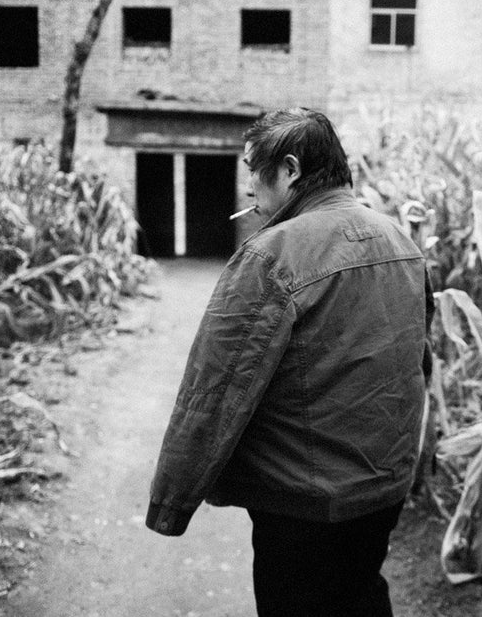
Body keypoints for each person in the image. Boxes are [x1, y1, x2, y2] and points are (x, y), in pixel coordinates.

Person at [146, 108, 433, 616]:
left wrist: (173, 503)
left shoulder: (271, 255)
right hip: (382, 491)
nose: (249, 191)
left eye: (255, 173)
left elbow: (216, 388)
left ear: (291, 170)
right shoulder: (400, 242)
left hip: (302, 507)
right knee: (361, 594)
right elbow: (417, 366)